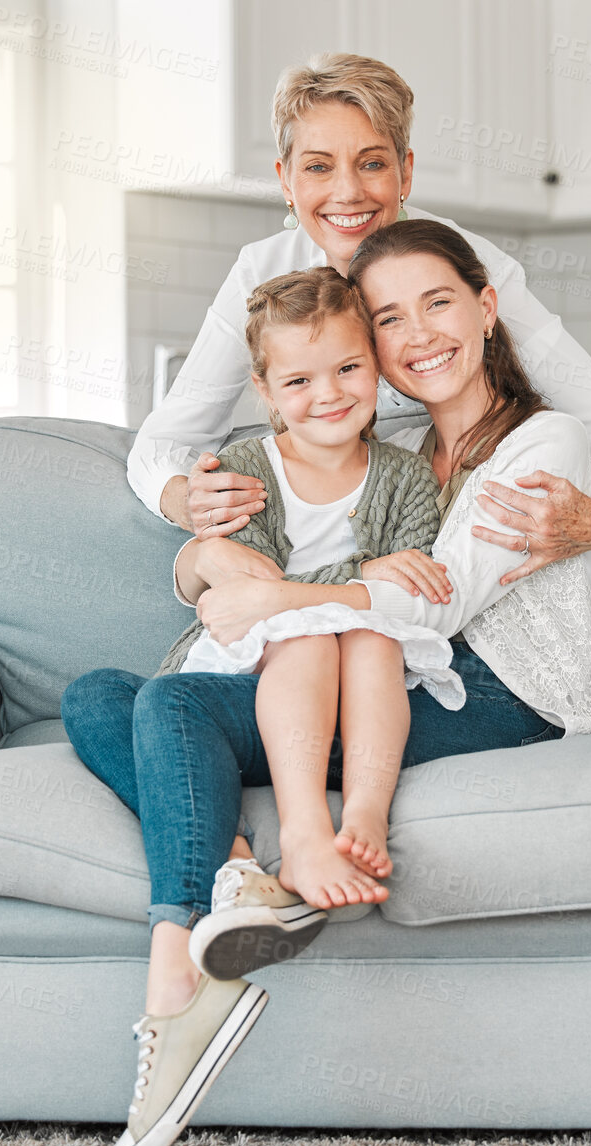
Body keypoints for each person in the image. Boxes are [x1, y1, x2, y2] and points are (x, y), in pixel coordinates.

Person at [61, 218, 591, 1146]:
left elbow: (439, 602)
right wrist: (202, 554)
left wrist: (263, 593)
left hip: (500, 693)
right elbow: (274, 549)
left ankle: (177, 981)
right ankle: (235, 874)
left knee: (175, 706)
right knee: (109, 696)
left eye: (439, 303)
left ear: (488, 308)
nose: (417, 333)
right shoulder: (410, 445)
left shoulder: (545, 440)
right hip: (374, 663)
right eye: (390, 318)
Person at [131, 51, 591, 595]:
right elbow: (161, 446)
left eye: (372, 163)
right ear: (286, 182)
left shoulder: (465, 266)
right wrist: (191, 503)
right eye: (318, 167)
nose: (347, 192)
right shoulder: (260, 272)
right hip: (310, 545)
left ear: (405, 171)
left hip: (423, 550)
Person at [161, 265, 461, 918]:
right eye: (298, 380)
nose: (327, 395)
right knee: (311, 640)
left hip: (356, 659)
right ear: (265, 391)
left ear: (375, 367)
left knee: (373, 636)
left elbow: (410, 587)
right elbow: (256, 595)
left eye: (347, 369)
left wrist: (358, 593)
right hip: (253, 660)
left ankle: (363, 815)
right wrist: (362, 581)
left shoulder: (406, 477)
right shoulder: (242, 472)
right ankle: (304, 832)